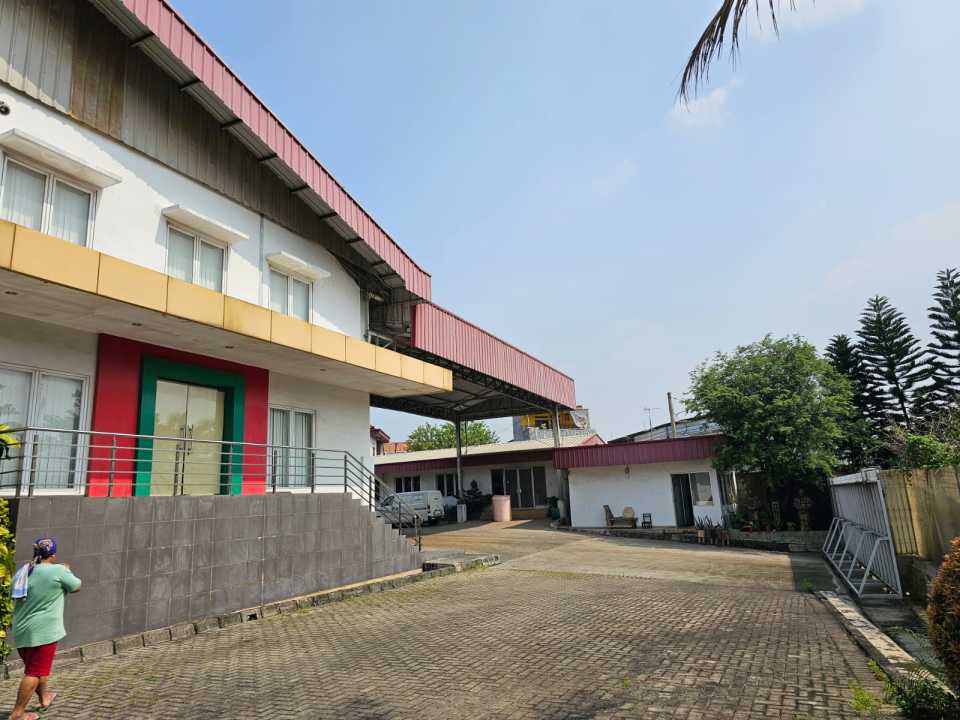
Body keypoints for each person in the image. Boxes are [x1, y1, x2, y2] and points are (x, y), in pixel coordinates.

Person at [8, 538, 81, 720]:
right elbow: (76, 586)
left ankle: (44, 698)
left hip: (22, 629)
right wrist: (66, 570)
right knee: (33, 673)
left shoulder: (24, 571)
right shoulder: (58, 570)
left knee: (37, 668)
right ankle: (17, 713)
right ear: (53, 555)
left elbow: (13, 593)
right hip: (43, 631)